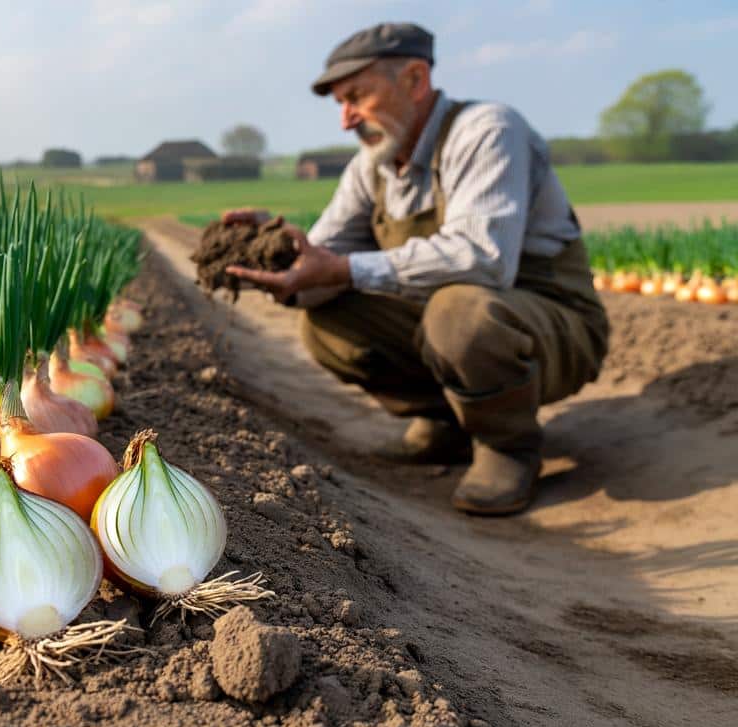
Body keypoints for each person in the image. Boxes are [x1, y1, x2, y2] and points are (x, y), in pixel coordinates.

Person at [227, 22, 608, 515]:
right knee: (329, 323)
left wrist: (343, 269)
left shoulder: (487, 132)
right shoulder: (373, 165)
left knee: (458, 311)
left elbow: (483, 260)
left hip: (551, 325)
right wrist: (273, 250)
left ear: (414, 79)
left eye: (357, 97)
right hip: (448, 322)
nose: (346, 119)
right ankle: (445, 425)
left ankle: (508, 445)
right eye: (340, 103)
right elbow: (325, 255)